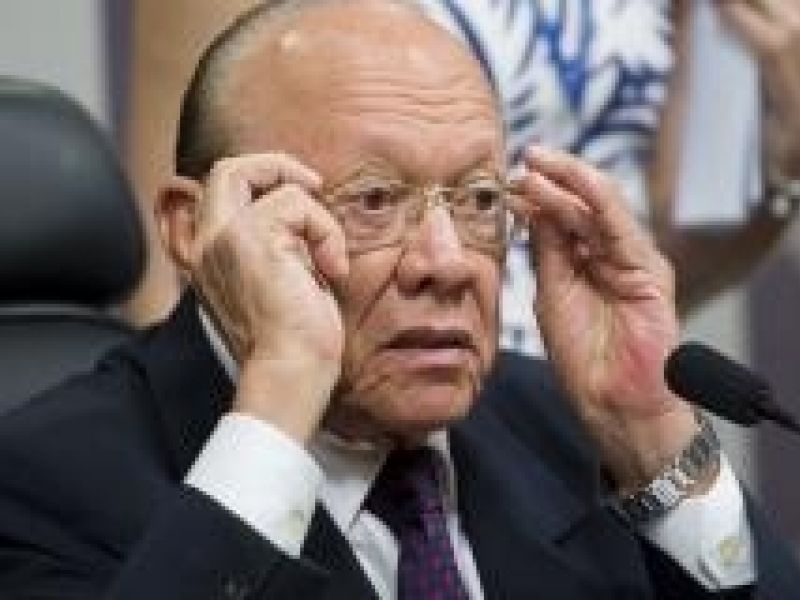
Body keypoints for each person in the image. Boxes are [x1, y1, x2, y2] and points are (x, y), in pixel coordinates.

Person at [0, 1, 797, 598]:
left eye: (480, 200)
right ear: (195, 226)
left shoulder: (568, 434)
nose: (445, 264)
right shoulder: (41, 483)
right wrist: (281, 392)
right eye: (374, 200)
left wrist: (655, 440)